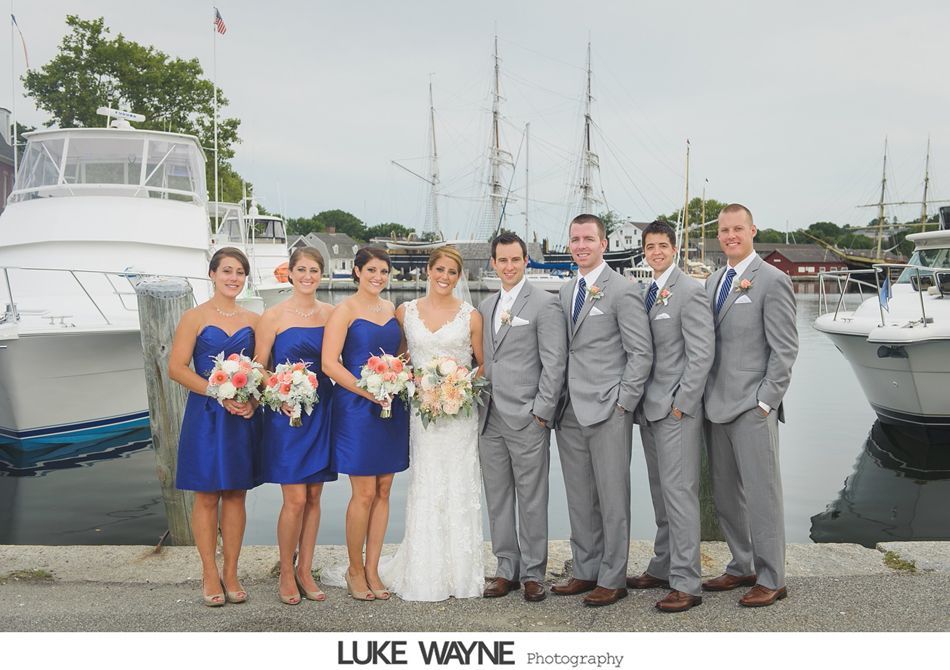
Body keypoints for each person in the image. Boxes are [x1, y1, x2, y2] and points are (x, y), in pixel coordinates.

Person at [551, 214, 653, 607]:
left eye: (588, 239)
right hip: (571, 409)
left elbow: (640, 353)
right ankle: (585, 569)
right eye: (575, 239)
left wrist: (624, 402)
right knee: (579, 496)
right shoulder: (565, 291)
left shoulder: (622, 290)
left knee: (612, 497)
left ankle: (613, 577)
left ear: (604, 243)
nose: (580, 246)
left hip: (610, 407)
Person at [703, 203, 798, 608]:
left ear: (753, 230)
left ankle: (772, 576)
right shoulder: (712, 281)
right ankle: (742, 564)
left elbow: (785, 349)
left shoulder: (772, 280)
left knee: (762, 493)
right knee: (726, 495)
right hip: (715, 405)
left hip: (752, 407)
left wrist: (765, 402)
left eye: (737, 228)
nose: (730, 236)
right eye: (724, 230)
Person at [378, 246, 486, 601]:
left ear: (459, 277)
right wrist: (420, 389)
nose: (444, 277)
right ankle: (425, 572)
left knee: (458, 485)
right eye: (439, 269)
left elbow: (481, 366)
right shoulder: (405, 312)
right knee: (427, 486)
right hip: (423, 417)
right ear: (428, 270)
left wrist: (457, 387)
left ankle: (461, 574)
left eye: (452, 272)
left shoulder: (471, 316)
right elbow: (400, 361)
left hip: (459, 416)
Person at [627, 221, 714, 613]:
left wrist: (683, 402)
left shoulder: (690, 293)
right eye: (650, 246)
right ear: (644, 251)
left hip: (675, 410)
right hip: (649, 407)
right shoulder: (647, 291)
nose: (656, 251)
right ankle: (662, 567)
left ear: (674, 248)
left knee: (680, 496)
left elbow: (701, 355)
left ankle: (687, 582)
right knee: (661, 494)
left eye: (663, 245)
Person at [477, 232, 567, 603]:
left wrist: (542, 413)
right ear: (494, 263)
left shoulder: (545, 305)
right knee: (497, 498)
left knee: (532, 498)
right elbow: (484, 359)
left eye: (516, 260)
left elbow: (554, 362)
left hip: (528, 417)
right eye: (503, 260)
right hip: (489, 417)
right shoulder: (484, 307)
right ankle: (505, 569)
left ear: (526, 260)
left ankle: (533, 572)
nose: (509, 266)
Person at [169, 247, 261, 607]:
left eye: (239, 272)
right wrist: (215, 391)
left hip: (241, 416)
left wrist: (251, 399)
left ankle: (232, 570)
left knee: (237, 492)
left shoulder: (255, 320)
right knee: (206, 494)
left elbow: (262, 369)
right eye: (227, 271)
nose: (233, 278)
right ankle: (209, 571)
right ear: (212, 274)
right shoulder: (194, 317)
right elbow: (177, 367)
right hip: (206, 414)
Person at [322, 247, 409, 601]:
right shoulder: (343, 311)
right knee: (364, 492)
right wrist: (367, 389)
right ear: (357, 272)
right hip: (357, 408)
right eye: (371, 269)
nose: (378, 277)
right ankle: (354, 569)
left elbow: (402, 354)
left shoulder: (391, 310)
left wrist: (395, 379)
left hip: (390, 406)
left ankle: (373, 568)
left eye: (384, 271)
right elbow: (330, 363)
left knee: (384, 489)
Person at [254, 247, 336, 605]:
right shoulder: (272, 316)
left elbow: (337, 360)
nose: (307, 275)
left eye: (314, 270)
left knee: (315, 495)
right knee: (295, 497)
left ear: (322, 274)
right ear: (289, 273)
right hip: (286, 410)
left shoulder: (332, 314)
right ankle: (286, 570)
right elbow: (259, 367)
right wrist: (282, 389)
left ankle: (306, 569)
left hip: (321, 409)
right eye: (301, 269)